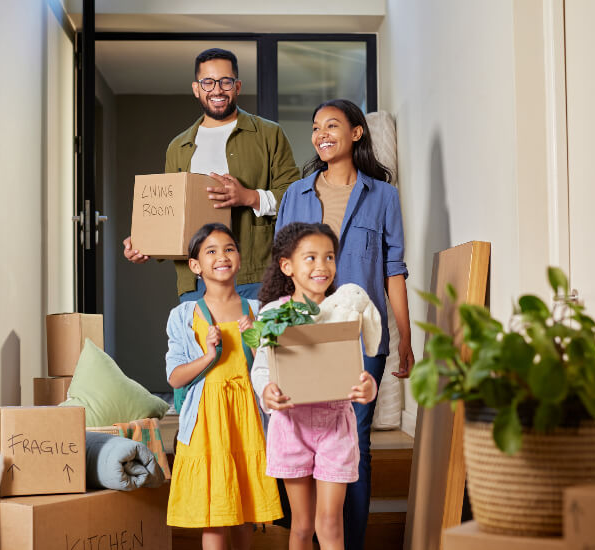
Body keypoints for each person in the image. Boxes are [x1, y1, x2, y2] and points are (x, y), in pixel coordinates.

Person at [275, 99, 414, 549]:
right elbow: (282, 271)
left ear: (356, 133)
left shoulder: (383, 196)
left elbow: (394, 269)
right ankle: (306, 535)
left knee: (352, 440)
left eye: (331, 125)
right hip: (303, 332)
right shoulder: (295, 194)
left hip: (360, 333)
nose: (320, 134)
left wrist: (405, 337)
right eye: (315, 128)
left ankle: (345, 543)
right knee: (299, 437)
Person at [123, 48, 300, 302]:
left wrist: (249, 197)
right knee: (202, 344)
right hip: (196, 283)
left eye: (225, 81)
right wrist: (144, 244)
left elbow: (294, 198)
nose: (217, 90)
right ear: (196, 88)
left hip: (254, 278)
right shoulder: (178, 147)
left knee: (258, 343)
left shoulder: (269, 134)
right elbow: (170, 216)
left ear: (237, 86)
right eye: (208, 82)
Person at [250, 222, 378, 550]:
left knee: (330, 522)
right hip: (290, 426)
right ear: (287, 266)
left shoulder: (344, 311)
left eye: (329, 257)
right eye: (310, 258)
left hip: (335, 425)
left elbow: (357, 370)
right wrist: (267, 391)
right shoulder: (272, 314)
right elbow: (262, 368)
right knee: (302, 525)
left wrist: (369, 387)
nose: (322, 266)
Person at [165, 223, 282, 550]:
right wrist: (208, 355)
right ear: (195, 266)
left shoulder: (258, 310)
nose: (222, 256)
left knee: (246, 509)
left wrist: (255, 339)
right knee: (214, 511)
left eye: (229, 248)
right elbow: (174, 377)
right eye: (211, 251)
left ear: (240, 259)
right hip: (206, 422)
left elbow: (275, 371)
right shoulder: (184, 315)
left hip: (246, 417)